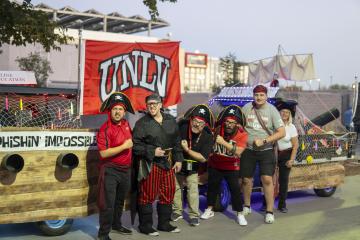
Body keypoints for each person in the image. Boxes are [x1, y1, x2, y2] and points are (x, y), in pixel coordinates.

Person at [132, 93, 183, 236]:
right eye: (149, 104)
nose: (152, 106)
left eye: (154, 103)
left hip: (169, 163)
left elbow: (177, 141)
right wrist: (152, 151)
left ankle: (164, 224)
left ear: (161, 105)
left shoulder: (171, 120)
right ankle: (145, 226)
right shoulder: (142, 124)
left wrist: (178, 159)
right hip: (151, 164)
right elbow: (135, 146)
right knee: (147, 195)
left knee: (168, 193)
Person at [240, 85, 285, 224]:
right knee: (246, 180)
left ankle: (270, 211)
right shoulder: (246, 108)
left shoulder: (272, 111)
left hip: (266, 150)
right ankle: (247, 205)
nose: (259, 98)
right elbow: (239, 126)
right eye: (256, 95)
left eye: (261, 95)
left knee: (266, 179)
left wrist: (264, 140)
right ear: (253, 96)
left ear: (266, 96)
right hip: (248, 150)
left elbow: (281, 132)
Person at [96, 92, 135, 240]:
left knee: (120, 201)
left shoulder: (126, 124)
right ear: (110, 111)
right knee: (108, 204)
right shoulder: (105, 129)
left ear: (124, 112)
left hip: (125, 170)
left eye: (120, 109)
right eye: (114, 109)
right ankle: (103, 234)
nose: (117, 112)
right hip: (110, 170)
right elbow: (104, 154)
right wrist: (125, 146)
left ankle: (116, 225)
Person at [200, 104, 248, 226]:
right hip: (215, 164)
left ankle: (240, 214)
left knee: (235, 190)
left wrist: (223, 142)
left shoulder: (242, 134)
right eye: (227, 122)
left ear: (237, 124)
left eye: (232, 123)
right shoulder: (218, 129)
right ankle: (209, 209)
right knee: (212, 187)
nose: (229, 125)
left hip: (231, 166)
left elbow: (238, 152)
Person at [172, 104, 214, 226]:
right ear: (191, 119)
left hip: (193, 164)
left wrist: (187, 150)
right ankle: (177, 211)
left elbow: (203, 158)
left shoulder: (207, 136)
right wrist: (178, 159)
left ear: (205, 124)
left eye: (200, 123)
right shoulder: (182, 126)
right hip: (178, 160)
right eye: (195, 121)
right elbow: (175, 143)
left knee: (192, 189)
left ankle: (194, 215)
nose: (196, 125)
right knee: (176, 187)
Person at [275, 99, 299, 213]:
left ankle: (282, 205)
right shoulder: (274, 125)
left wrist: (291, 160)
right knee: (269, 180)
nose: (284, 114)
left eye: (287, 112)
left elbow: (295, 145)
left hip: (286, 155)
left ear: (289, 115)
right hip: (274, 155)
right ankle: (265, 203)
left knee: (283, 182)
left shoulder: (291, 127)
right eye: (282, 112)